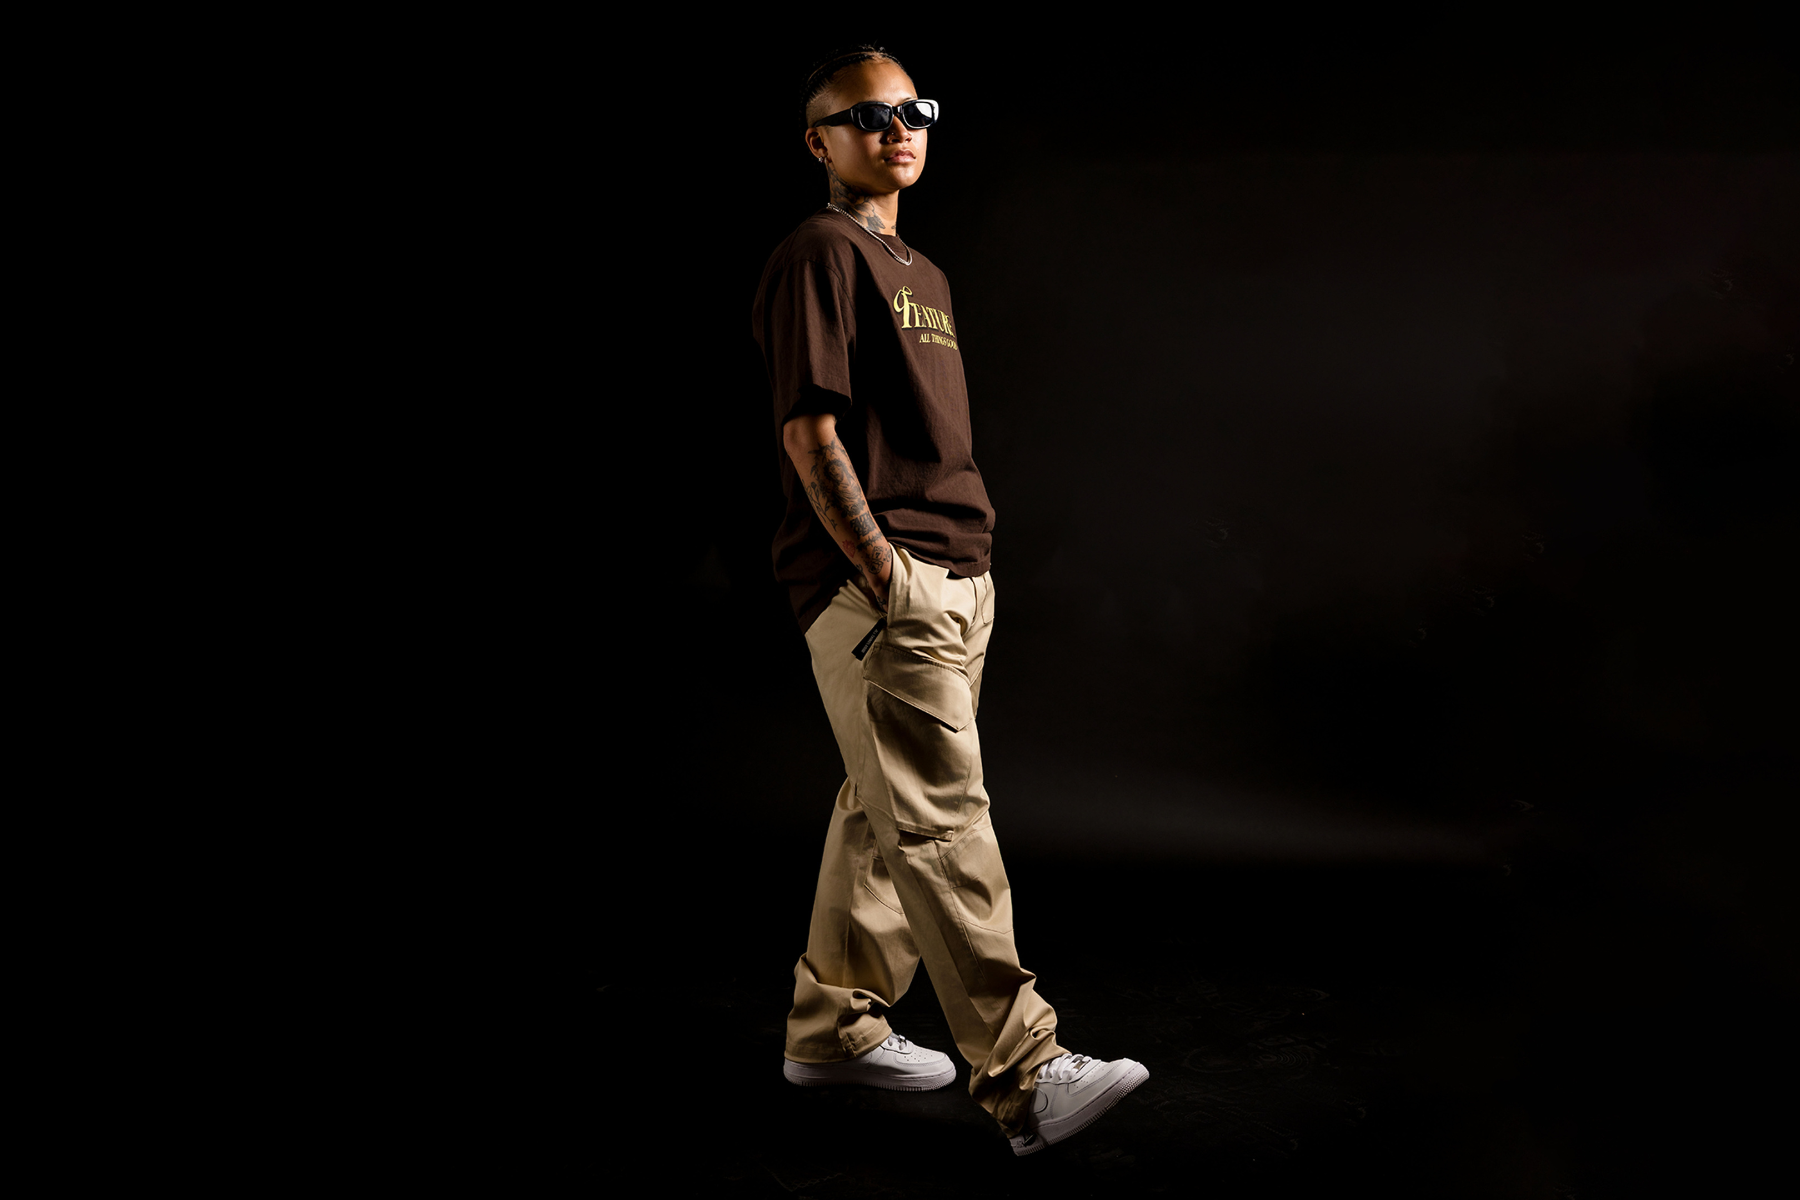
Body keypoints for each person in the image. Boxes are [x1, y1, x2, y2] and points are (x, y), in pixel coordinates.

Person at [750, 45, 1147, 1156]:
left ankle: (832, 1031)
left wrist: (952, 572)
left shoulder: (920, 270)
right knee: (941, 819)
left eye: (914, 109)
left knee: (880, 813)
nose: (898, 129)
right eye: (867, 114)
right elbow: (810, 430)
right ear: (820, 141)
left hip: (955, 573)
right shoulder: (820, 251)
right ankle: (1025, 1073)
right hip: (888, 581)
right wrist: (884, 571)